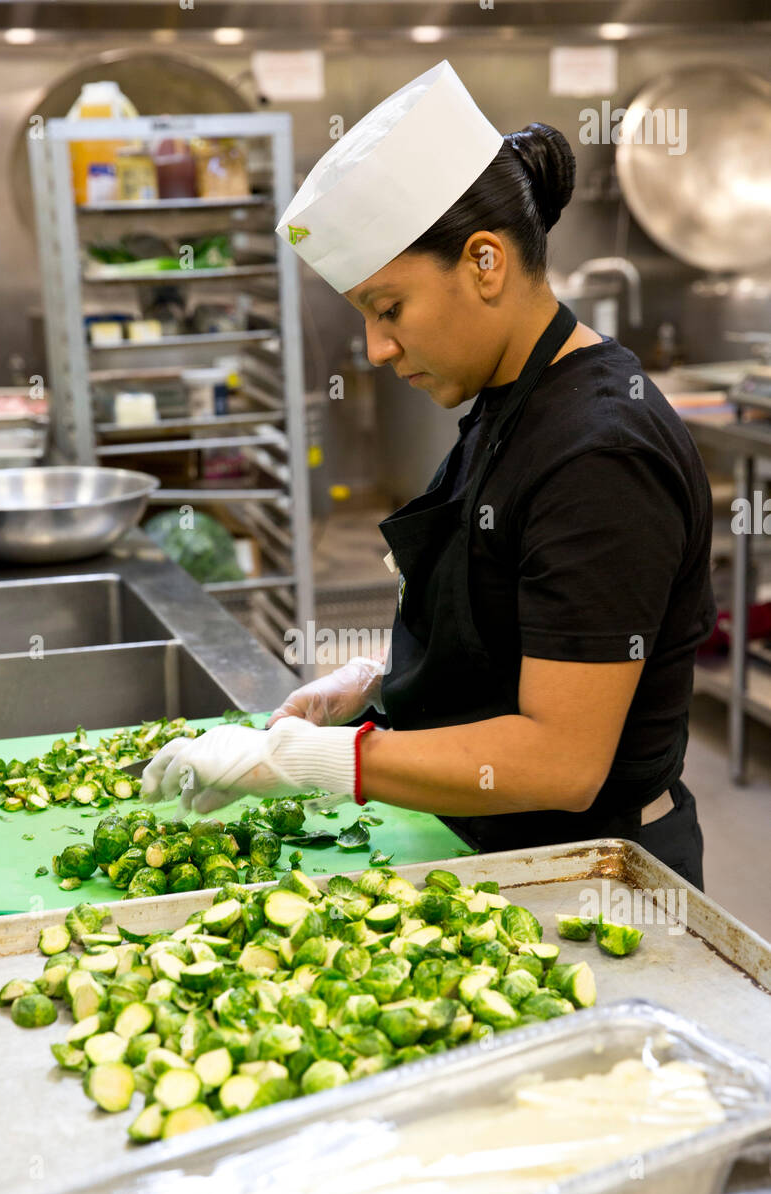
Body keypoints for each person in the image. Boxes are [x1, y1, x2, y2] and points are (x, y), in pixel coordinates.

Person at [142, 61, 716, 890]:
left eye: (388, 309)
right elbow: (515, 626)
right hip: (497, 853)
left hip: (595, 879)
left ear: (485, 262)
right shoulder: (511, 398)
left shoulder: (601, 453)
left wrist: (311, 761)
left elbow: (562, 760)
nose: (376, 349)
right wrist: (377, 679)